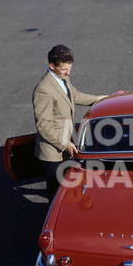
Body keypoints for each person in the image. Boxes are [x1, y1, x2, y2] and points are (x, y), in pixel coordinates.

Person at [33, 44, 108, 204]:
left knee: (68, 185)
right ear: (52, 66)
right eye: (64, 69)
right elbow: (43, 125)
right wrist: (65, 143)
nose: (68, 73)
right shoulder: (43, 90)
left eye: (70, 68)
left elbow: (76, 96)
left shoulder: (63, 78)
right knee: (55, 192)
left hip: (68, 144)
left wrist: (98, 99)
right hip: (53, 151)